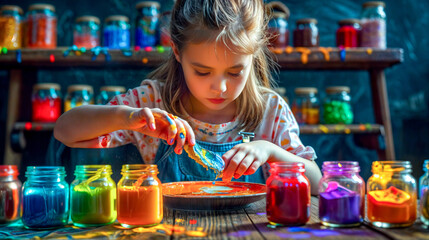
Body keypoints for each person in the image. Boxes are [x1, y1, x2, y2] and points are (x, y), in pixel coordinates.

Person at [54, 0, 322, 194]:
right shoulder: (151, 101)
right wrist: (127, 118)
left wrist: (270, 151)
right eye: (203, 72)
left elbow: (318, 182)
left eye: (235, 71)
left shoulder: (270, 111)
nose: (221, 88)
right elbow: (64, 131)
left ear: (253, 57)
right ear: (178, 52)